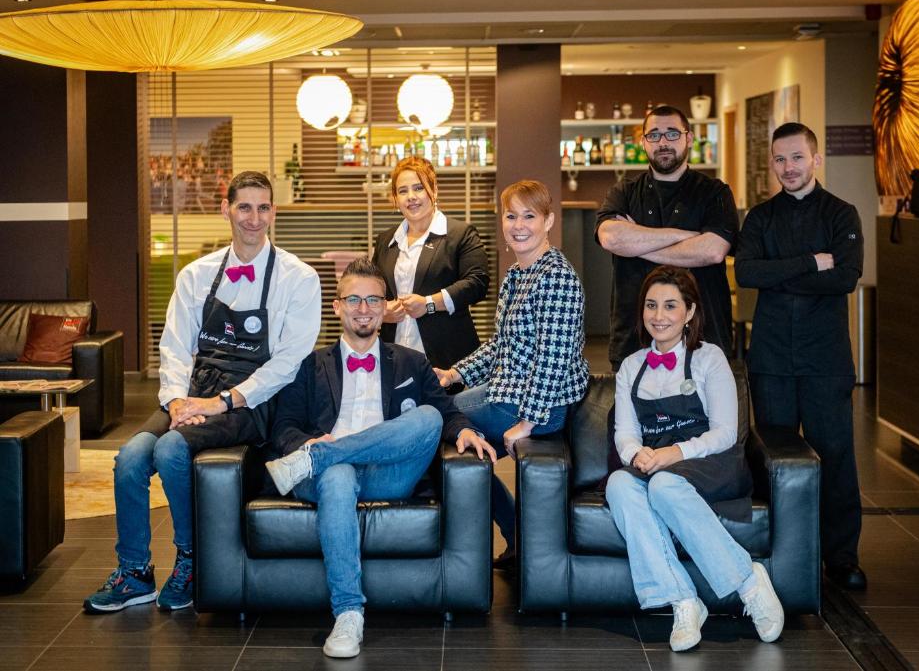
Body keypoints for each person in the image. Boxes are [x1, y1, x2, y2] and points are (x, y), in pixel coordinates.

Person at [83, 171, 322, 614]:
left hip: (254, 399)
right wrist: (178, 401)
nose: (254, 218)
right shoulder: (197, 275)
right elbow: (175, 345)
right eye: (244, 207)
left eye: (263, 207)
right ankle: (134, 572)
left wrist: (221, 403)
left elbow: (287, 363)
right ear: (226, 208)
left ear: (273, 212)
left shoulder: (299, 278)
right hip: (195, 388)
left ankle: (192, 562)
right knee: (130, 457)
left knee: (173, 450)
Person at [264, 257, 495, 659]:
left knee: (423, 416)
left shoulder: (410, 361)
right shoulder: (309, 365)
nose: (364, 309)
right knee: (336, 474)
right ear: (337, 306)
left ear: (386, 307)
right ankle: (349, 613)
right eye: (353, 299)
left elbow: (443, 411)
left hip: (387, 473)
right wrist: (306, 444)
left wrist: (465, 430)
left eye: (373, 300)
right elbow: (283, 426)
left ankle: (319, 458)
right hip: (326, 477)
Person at [605, 265, 784, 651]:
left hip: (711, 462)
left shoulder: (709, 358)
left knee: (666, 484)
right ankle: (683, 601)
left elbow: (723, 433)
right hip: (654, 461)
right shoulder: (632, 367)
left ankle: (747, 582)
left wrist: (674, 454)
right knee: (619, 483)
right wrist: (638, 455)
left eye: (670, 306)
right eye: (651, 306)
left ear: (689, 312)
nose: (658, 316)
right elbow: (625, 433)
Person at [734, 122, 866, 591]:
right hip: (770, 356)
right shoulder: (760, 217)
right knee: (773, 455)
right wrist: (812, 262)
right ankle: (777, 548)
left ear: (816, 160)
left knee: (834, 454)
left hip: (825, 356)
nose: (788, 168)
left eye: (796, 157)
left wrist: (779, 275)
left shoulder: (841, 214)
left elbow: (845, 277)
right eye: (780, 160)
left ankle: (840, 554)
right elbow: (747, 273)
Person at [434, 180, 589, 566]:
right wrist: (454, 374)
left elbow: (553, 358)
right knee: (442, 416)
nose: (519, 225)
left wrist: (528, 423)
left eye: (529, 216)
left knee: (438, 424)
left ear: (548, 220)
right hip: (506, 390)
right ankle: (513, 528)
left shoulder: (556, 277)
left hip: (539, 403)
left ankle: (513, 528)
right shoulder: (518, 275)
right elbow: (501, 346)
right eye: (511, 215)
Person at [597, 104, 739, 369]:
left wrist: (637, 243)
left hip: (702, 337)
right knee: (632, 411)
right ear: (643, 142)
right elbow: (611, 239)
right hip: (633, 338)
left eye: (672, 133)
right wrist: (683, 237)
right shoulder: (624, 192)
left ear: (689, 138)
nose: (663, 142)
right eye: (654, 135)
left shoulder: (714, 192)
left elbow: (712, 251)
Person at [373, 157, 489, 370]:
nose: (411, 197)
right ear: (395, 199)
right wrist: (381, 310)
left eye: (419, 188)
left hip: (448, 360)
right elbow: (372, 290)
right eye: (403, 191)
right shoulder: (385, 241)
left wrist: (429, 304)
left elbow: (477, 284)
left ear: (434, 190)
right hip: (394, 358)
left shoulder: (460, 234)